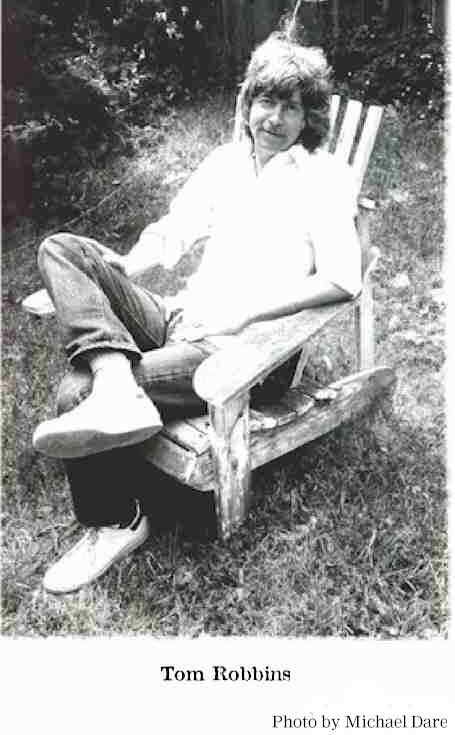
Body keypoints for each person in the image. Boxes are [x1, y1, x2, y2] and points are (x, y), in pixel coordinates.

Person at [32, 32, 362, 594]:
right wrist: (123, 268)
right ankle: (117, 379)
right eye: (265, 100)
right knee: (63, 249)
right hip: (183, 316)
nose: (274, 118)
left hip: (246, 353)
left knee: (73, 393)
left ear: (310, 116)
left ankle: (118, 521)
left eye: (291, 106)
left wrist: (242, 317)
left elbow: (341, 279)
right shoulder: (226, 162)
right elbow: (174, 231)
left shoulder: (324, 179)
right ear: (246, 102)